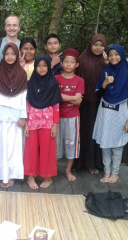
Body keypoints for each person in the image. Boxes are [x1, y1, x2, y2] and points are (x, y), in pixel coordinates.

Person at [93, 45, 128, 184]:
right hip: (105, 111)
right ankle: (106, 172)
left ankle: (115, 173)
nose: (113, 57)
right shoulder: (106, 71)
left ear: (122, 55)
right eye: (110, 54)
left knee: (117, 144)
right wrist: (105, 83)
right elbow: (98, 94)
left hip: (120, 112)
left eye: (116, 54)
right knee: (105, 142)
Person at [0, 43, 28, 188]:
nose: (10, 57)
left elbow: (24, 96)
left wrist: (23, 116)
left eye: (13, 54)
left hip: (16, 116)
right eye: (7, 54)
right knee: (1, 146)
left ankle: (12, 176)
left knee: (14, 147)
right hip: (1, 115)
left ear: (17, 55)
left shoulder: (21, 73)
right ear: (3, 55)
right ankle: (2, 175)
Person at [23, 55, 62, 189]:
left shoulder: (53, 83)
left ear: (49, 66)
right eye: (39, 65)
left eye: (45, 65)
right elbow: (26, 104)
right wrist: (26, 123)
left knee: (48, 150)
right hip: (32, 122)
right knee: (31, 150)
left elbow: (56, 106)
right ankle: (30, 177)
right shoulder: (31, 82)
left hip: (48, 123)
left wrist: (55, 125)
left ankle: (48, 177)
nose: (41, 68)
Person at [74, 34, 108, 174]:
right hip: (84, 102)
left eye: (101, 45)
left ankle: (95, 163)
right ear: (90, 45)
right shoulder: (82, 60)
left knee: (98, 132)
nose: (98, 48)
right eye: (96, 44)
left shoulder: (106, 62)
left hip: (101, 102)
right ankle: (81, 163)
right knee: (85, 132)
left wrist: (108, 65)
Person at [55, 49, 85, 181]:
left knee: (71, 143)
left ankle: (68, 170)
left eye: (72, 62)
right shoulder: (56, 78)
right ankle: (52, 169)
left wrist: (62, 97)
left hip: (73, 117)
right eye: (66, 62)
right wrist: (71, 98)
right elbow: (55, 96)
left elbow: (79, 99)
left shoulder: (79, 81)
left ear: (76, 65)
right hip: (56, 117)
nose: (68, 65)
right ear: (61, 63)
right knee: (55, 143)